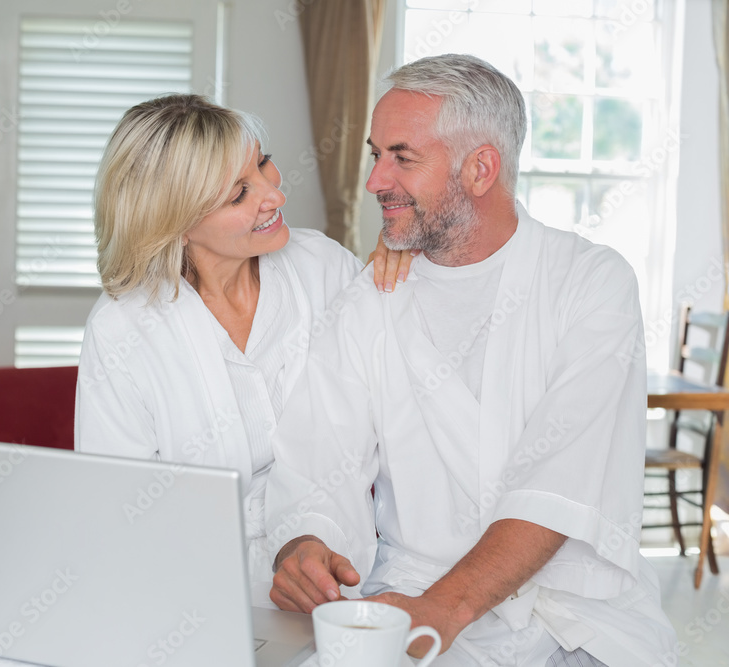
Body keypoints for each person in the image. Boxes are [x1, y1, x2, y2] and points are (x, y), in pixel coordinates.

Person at [264, 55, 678, 665]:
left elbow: (560, 482)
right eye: (375, 155)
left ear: (481, 167)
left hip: (576, 614)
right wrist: (306, 542)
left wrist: (447, 608)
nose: (376, 181)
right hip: (410, 597)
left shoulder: (591, 284)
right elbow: (321, 458)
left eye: (402, 157)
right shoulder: (369, 301)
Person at [75, 94, 413, 607]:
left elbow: (408, 376)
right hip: (190, 592)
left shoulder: (321, 265)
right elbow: (117, 514)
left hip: (338, 569)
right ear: (177, 222)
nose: (274, 195)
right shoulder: (122, 328)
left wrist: (410, 257)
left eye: (261, 163)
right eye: (239, 194)